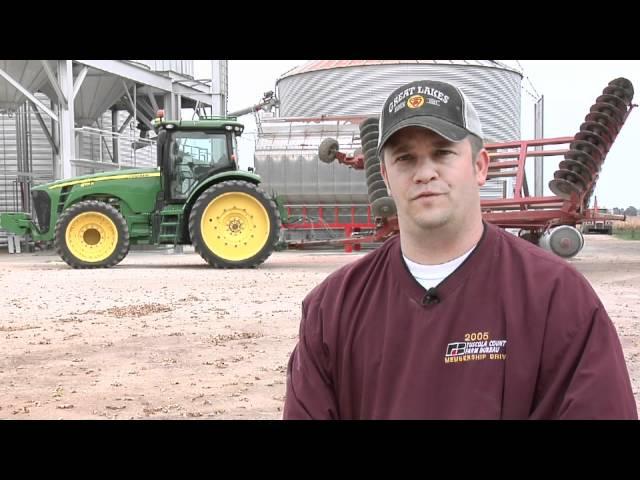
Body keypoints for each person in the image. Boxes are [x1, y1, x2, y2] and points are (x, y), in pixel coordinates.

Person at [283, 79, 637, 420]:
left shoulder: (557, 299)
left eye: (442, 153)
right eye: (405, 158)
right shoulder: (332, 309)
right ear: (386, 177)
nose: (425, 173)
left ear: (479, 166)